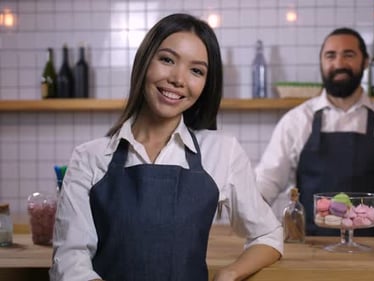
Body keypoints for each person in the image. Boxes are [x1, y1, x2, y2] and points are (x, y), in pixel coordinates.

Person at [49, 13, 283, 281]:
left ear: (206, 84)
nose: (178, 79)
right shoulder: (89, 157)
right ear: (145, 61)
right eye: (167, 59)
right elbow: (69, 259)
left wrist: (229, 274)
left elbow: (268, 233)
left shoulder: (222, 151)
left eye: (196, 70)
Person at [255, 27, 374, 238]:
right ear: (321, 63)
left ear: (365, 61)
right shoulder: (296, 122)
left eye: (349, 55)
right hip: (310, 254)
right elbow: (265, 183)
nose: (339, 64)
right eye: (330, 56)